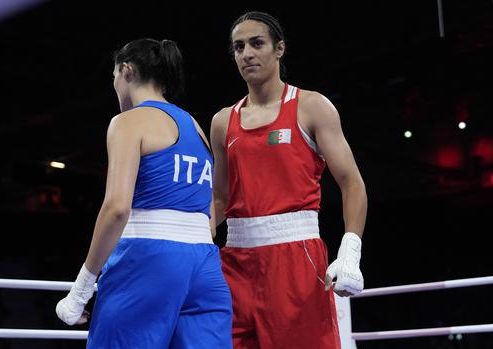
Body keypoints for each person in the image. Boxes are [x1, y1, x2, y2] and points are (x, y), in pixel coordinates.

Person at [56, 38, 233, 348]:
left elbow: (116, 208)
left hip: (150, 259)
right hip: (205, 265)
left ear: (126, 71)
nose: (114, 85)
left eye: (113, 76)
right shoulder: (194, 125)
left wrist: (82, 288)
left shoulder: (128, 122)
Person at [210, 11, 368, 349]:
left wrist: (350, 251)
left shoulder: (311, 107)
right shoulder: (223, 121)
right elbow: (220, 198)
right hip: (235, 261)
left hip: (295, 258)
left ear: (279, 48)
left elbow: (352, 183)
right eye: (239, 47)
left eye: (256, 44)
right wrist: (190, 241)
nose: (247, 54)